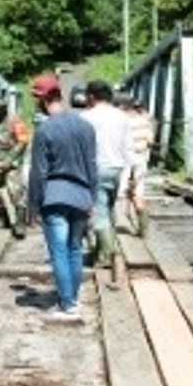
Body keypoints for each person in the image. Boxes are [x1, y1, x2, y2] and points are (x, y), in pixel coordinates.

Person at [28, 74, 98, 319]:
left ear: (45, 99)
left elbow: (39, 172)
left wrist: (32, 207)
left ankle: (67, 303)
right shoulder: (85, 126)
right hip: (81, 196)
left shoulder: (44, 129)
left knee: (58, 251)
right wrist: (93, 199)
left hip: (54, 197)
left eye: (36, 98)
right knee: (75, 249)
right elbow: (92, 166)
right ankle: (73, 299)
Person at [80, 80, 131, 265]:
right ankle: (102, 250)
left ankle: (107, 255)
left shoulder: (86, 117)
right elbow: (128, 147)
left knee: (97, 211)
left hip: (96, 168)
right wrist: (128, 175)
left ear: (91, 97)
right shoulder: (123, 117)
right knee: (108, 208)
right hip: (117, 168)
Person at [0, 95, 30, 239]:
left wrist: (9, 161)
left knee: (16, 193)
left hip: (12, 164)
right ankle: (4, 220)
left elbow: (23, 141)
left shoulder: (14, 121)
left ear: (3, 108)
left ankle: (20, 225)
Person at [117, 96, 155, 237]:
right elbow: (150, 141)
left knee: (118, 193)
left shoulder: (122, 122)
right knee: (138, 194)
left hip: (125, 160)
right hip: (140, 160)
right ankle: (143, 228)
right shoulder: (145, 121)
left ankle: (111, 229)